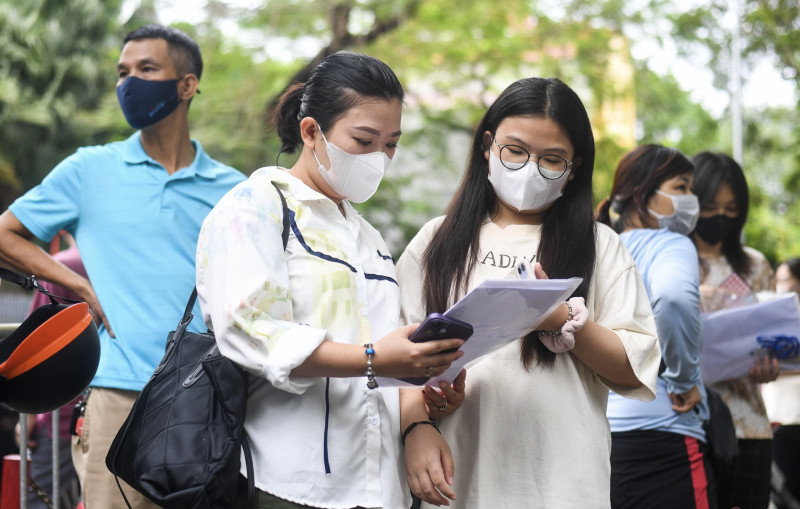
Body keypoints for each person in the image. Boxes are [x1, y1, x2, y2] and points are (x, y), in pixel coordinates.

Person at [196, 51, 465, 509]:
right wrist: (373, 358)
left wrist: (423, 393)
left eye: (391, 144)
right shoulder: (255, 207)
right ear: (310, 131)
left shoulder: (369, 236)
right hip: (291, 483)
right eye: (364, 140)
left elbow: (388, 349)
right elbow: (248, 331)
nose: (379, 158)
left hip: (380, 486)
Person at [0, 24, 245, 509]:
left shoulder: (233, 189)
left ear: (187, 85)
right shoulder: (88, 169)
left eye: (147, 69)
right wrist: (78, 286)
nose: (129, 83)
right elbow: (5, 234)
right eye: (122, 73)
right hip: (117, 396)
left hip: (205, 398)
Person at [395, 77, 661, 508]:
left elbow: (635, 370)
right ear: (487, 144)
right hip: (456, 481)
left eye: (551, 160)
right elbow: (397, 356)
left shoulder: (600, 245)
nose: (529, 168)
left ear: (574, 169)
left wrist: (558, 318)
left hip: (564, 485)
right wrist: (416, 427)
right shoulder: (436, 242)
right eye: (515, 151)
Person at [597, 144, 715, 508]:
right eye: (681, 187)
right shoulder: (671, 243)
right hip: (666, 433)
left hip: (602, 436)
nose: (690, 198)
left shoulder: (599, 245)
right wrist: (684, 379)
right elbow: (675, 299)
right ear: (642, 194)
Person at [691, 151, 777, 509]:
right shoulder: (670, 261)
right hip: (687, 424)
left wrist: (773, 364)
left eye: (731, 207)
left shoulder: (755, 264)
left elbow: (772, 336)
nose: (721, 217)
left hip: (749, 429)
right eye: (711, 206)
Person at [20, 231, 83, 509]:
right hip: (112, 401)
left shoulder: (63, 264)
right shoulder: (123, 261)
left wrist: (29, 413)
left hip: (62, 411)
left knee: (38, 499)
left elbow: (36, 343)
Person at [762, 258, 800, 507]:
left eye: (784, 281)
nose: (779, 287)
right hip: (778, 420)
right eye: (776, 281)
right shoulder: (773, 321)